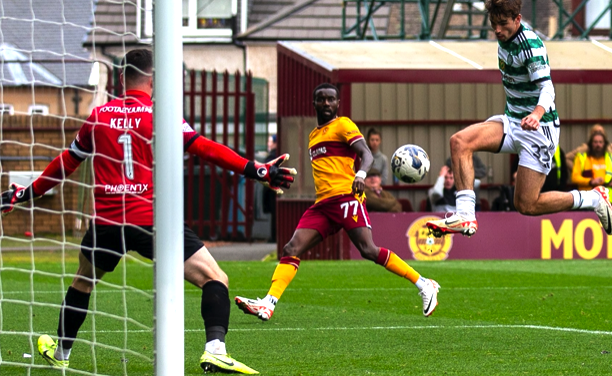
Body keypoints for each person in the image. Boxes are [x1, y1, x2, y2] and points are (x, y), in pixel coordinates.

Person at [0, 49, 297, 374]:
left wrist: (24, 194)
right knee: (216, 278)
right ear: (153, 80)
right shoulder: (160, 114)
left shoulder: (98, 116)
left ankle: (61, 351)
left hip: (107, 224)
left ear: (120, 79)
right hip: (153, 222)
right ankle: (215, 349)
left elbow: (64, 165)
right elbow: (205, 148)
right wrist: (256, 170)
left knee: (82, 282)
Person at [234, 83, 440, 321]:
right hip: (323, 205)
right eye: (321, 99)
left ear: (338, 103)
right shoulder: (313, 136)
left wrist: (361, 175)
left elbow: (367, 153)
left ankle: (424, 284)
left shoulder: (343, 125)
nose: (326, 104)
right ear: (314, 103)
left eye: (331, 99)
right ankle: (268, 304)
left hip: (346, 197)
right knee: (291, 248)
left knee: (368, 250)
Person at [426, 0, 612, 239]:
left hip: (540, 129)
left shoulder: (531, 45)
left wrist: (536, 113)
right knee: (459, 142)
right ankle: (466, 216)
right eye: (494, 25)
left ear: (518, 19)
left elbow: (547, 88)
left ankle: (593, 198)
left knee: (526, 205)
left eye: (503, 24)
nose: (498, 30)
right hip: (513, 122)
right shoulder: (503, 38)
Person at [262, 134, 278, 242]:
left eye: (270, 142)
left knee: (275, 215)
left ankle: (274, 237)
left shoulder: (272, 157)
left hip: (272, 190)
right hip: (275, 189)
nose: (268, 144)